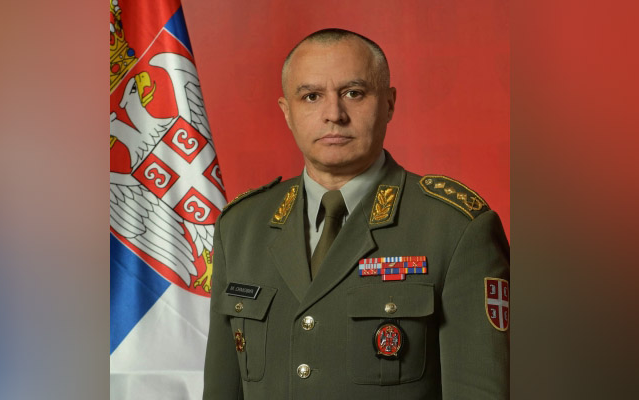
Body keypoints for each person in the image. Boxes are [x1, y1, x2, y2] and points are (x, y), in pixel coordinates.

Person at [203, 28, 509, 399]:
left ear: (389, 103)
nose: (334, 114)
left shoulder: (455, 228)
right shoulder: (240, 227)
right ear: (287, 112)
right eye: (311, 96)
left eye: (354, 93)